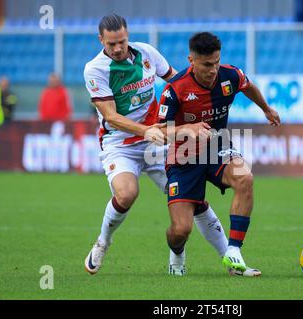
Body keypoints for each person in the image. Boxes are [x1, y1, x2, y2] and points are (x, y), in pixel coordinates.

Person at [83, 14, 232, 276]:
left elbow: (179, 84)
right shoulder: (95, 69)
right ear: (101, 40)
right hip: (120, 143)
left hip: (160, 139)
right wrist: (145, 130)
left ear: (127, 35)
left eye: (121, 41)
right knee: (126, 194)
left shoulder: (147, 53)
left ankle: (231, 259)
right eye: (111, 44)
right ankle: (103, 241)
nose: (117, 48)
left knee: (193, 201)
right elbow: (110, 116)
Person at [158, 32, 280, 276]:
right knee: (180, 230)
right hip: (183, 157)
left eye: (216, 62)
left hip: (217, 147)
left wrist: (266, 108)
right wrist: (187, 129)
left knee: (244, 177)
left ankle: (233, 251)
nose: (213, 69)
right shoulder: (175, 88)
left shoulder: (230, 75)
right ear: (191, 60)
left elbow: (249, 86)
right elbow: (157, 131)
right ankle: (177, 253)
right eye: (206, 64)